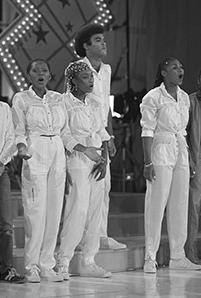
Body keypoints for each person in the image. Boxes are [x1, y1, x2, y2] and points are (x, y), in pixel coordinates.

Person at [140, 57, 201, 273]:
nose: (180, 70)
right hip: (161, 149)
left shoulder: (184, 97)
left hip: (180, 151)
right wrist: (147, 161)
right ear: (164, 73)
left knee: (180, 203)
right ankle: (150, 256)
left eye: (181, 67)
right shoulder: (153, 97)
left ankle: (178, 255)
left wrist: (189, 158)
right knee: (156, 203)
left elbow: (183, 131)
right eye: (174, 67)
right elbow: (147, 130)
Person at [12, 59, 68, 283]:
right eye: (35, 70)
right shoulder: (22, 98)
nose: (40, 73)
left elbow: (65, 129)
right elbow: (19, 129)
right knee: (36, 211)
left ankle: (47, 264)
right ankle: (31, 265)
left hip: (57, 149)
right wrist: (22, 148)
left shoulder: (57, 98)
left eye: (44, 70)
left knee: (54, 211)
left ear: (50, 74)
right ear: (29, 75)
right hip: (35, 151)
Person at [55, 61, 112, 279]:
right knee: (77, 210)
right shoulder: (63, 102)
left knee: (95, 211)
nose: (91, 81)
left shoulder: (96, 103)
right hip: (77, 159)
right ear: (73, 81)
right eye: (86, 77)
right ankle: (63, 260)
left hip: (97, 160)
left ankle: (89, 260)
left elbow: (102, 132)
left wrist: (104, 159)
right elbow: (64, 134)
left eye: (91, 77)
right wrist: (83, 149)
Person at [74, 23, 126, 250]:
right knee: (84, 188)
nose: (103, 43)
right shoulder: (76, 69)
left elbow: (105, 104)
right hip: (84, 134)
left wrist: (110, 136)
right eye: (97, 40)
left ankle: (100, 235)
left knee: (104, 186)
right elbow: (74, 103)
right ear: (85, 46)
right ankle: (79, 237)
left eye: (103, 39)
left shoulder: (106, 69)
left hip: (102, 133)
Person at [0, 100, 25, 283]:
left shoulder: (3, 108)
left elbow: (10, 138)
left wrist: (1, 163)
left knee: (6, 223)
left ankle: (7, 269)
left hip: (2, 170)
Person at [185, 70, 201, 264]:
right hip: (196, 159)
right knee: (194, 207)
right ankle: (190, 251)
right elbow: (182, 132)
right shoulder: (189, 102)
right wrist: (188, 157)